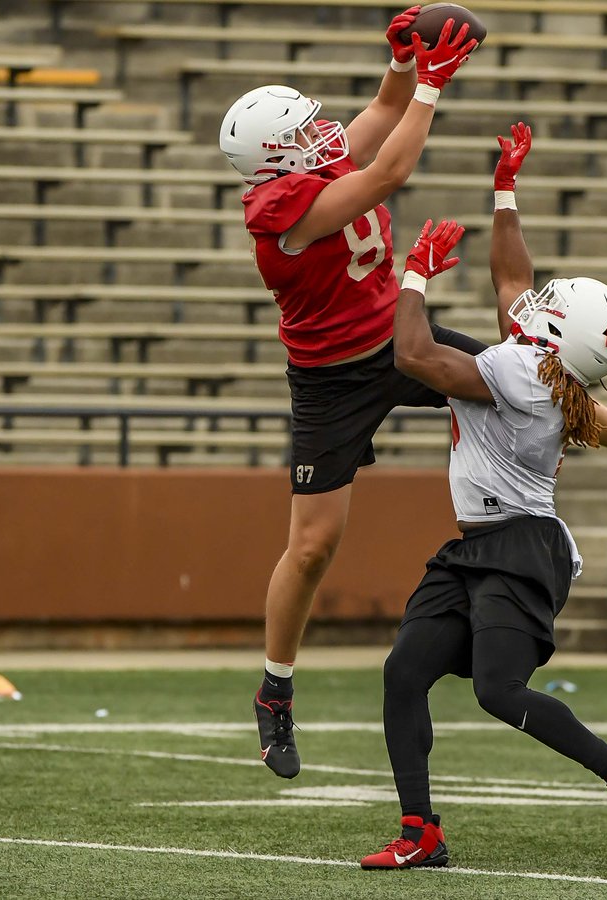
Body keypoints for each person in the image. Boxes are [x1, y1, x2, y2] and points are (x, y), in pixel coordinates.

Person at [358, 123, 607, 869]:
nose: (532, 305)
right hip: (481, 545)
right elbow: (511, 283)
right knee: (404, 674)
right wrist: (506, 190)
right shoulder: (548, 369)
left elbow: (413, 355)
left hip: (518, 547)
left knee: (499, 691)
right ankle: (420, 832)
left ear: (558, 336)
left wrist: (415, 277)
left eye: (548, 308)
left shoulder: (523, 376)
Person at [217, 9, 482, 779]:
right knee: (312, 547)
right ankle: (275, 691)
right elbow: (389, 173)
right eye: (303, 132)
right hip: (331, 378)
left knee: (522, 379)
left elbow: (379, 114)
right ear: (275, 158)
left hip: (402, 340)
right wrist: (432, 84)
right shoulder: (281, 213)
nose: (323, 133)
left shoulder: (308, 165)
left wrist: (401, 66)